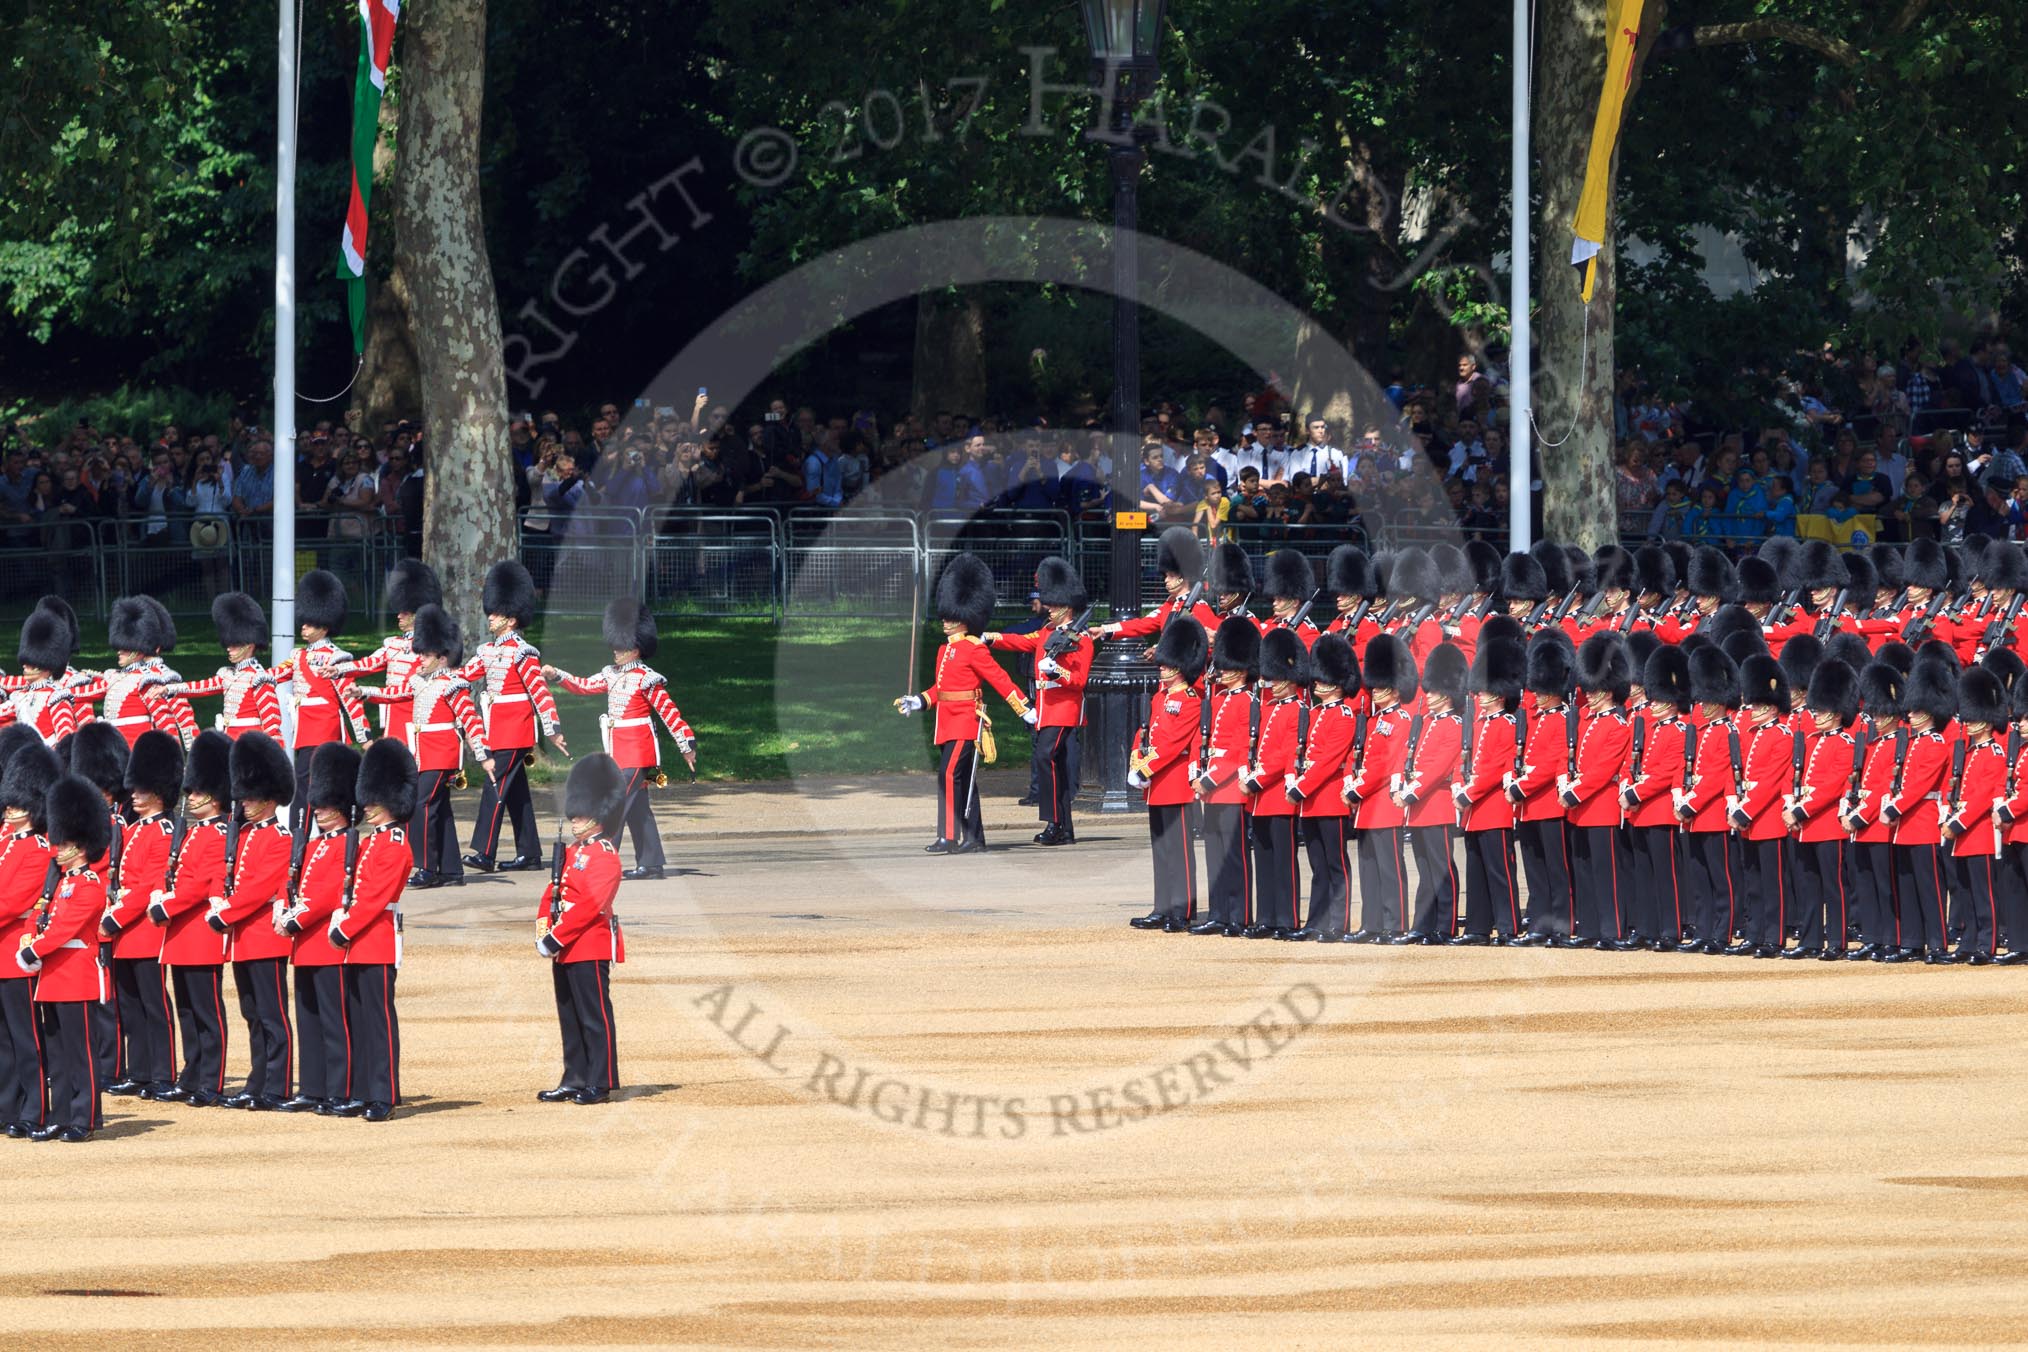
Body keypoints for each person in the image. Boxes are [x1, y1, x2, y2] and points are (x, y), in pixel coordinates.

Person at [544, 600, 697, 881]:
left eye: (621, 646)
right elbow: (584, 685)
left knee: (615, 804)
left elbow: (668, 712)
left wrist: (686, 744)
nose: (615, 650)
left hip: (638, 751)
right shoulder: (610, 674)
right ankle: (651, 863)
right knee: (639, 811)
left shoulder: (646, 679)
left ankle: (601, 860)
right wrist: (558, 676)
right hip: (618, 750)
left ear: (635, 648)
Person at [893, 553, 1033, 854]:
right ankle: (975, 838)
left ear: (966, 616)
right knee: (966, 779)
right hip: (946, 722)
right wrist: (918, 701)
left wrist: (1023, 707)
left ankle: (948, 836)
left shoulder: (973, 649)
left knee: (947, 774)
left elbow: (1000, 679)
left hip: (967, 722)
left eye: (951, 616)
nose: (946, 621)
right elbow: (941, 689)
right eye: (945, 615)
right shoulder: (945, 651)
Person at [16, 775, 114, 1140]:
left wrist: (31, 948)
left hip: (76, 976)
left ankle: (84, 1119)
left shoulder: (89, 884)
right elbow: (48, 922)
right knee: (57, 1053)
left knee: (81, 1053)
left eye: (65, 843)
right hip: (54, 977)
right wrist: (32, 935)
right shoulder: (63, 883)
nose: (57, 848)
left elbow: (65, 930)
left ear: (82, 846)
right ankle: (61, 1115)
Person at [324, 738, 414, 1122]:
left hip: (374, 938)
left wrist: (347, 926)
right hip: (356, 940)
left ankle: (383, 1094)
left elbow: (376, 897)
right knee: (358, 1020)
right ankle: (362, 1090)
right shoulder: (370, 842)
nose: (367, 806)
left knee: (377, 1021)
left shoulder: (394, 843)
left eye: (374, 800)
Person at [371, 605, 491, 888]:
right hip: (423, 753)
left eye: (425, 654)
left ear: (441, 657)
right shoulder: (419, 682)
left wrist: (483, 753)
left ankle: (425, 866)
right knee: (441, 809)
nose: (419, 659)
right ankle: (450, 870)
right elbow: (394, 694)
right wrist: (363, 691)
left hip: (442, 753)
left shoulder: (453, 684)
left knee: (420, 806)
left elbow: (470, 719)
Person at [458, 561, 567, 874]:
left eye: (495, 612)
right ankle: (529, 853)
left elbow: (539, 692)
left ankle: (483, 851)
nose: (489, 616)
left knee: (493, 785)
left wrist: (553, 728)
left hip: (515, 730)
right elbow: (465, 676)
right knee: (516, 793)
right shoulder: (488, 651)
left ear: (510, 617)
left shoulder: (524, 652)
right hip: (497, 728)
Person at [207, 731, 295, 1110]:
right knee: (253, 1014)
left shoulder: (280, 837)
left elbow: (259, 889)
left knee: (273, 1016)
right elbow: (225, 873)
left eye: (251, 797)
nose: (243, 802)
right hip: (242, 939)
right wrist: (217, 898)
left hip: (265, 938)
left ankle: (277, 1086)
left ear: (269, 799)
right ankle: (257, 1082)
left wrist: (224, 912)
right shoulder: (240, 835)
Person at [534, 754, 629, 1106]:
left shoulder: (604, 853)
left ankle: (600, 1081)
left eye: (581, 812)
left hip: (588, 945)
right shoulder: (573, 851)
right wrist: (544, 928)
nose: (575, 818)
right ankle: (574, 1077)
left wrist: (555, 937)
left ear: (598, 813)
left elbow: (590, 905)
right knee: (570, 1016)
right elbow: (553, 890)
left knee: (594, 1016)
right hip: (564, 946)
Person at [148, 729, 232, 1105]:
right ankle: (192, 1073)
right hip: (181, 935)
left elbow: (199, 886)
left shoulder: (218, 834)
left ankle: (210, 1081)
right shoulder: (194, 832)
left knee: (206, 1012)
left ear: (214, 796)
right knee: (186, 1010)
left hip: (201, 934)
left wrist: (166, 904)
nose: (191, 797)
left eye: (197, 792)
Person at [276, 743, 360, 1113]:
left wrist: (298, 916)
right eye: (319, 805)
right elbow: (293, 879)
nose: (320, 810)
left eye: (326, 806)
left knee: (333, 1020)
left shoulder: (348, 845)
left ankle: (339, 1088)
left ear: (341, 806)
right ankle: (313, 1087)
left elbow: (331, 894)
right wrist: (283, 904)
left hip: (327, 942)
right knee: (308, 1019)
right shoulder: (312, 845)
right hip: (304, 943)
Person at [982, 558, 1090, 848]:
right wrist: (990, 638)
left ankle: (1053, 821)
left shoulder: (1081, 637)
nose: (1049, 608)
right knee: (1058, 767)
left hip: (1065, 710)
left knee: (1045, 757)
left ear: (1067, 606)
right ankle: (1065, 829)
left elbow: (1079, 680)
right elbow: (1021, 641)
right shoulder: (1045, 632)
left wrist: (1059, 671)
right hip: (1046, 709)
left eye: (1053, 605)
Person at [101, 730, 181, 1100]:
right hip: (124, 933)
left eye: (142, 789)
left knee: (154, 1005)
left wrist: (118, 914)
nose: (133, 793)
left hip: (144, 928)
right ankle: (140, 1071)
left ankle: (163, 1073)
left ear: (159, 792)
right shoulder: (133, 829)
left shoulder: (165, 829)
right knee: (130, 1007)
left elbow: (151, 882)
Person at [270, 571, 369, 835]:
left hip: (325, 727)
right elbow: (275, 675)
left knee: (325, 781)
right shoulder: (298, 656)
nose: (303, 627)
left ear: (324, 626)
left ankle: (332, 831)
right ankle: (299, 834)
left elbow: (350, 698)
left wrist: (364, 736)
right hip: (304, 730)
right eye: (304, 622)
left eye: (310, 624)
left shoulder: (338, 657)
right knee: (302, 781)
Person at [1126, 620, 1207, 932]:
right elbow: (1146, 732)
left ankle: (1182, 910)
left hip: (1174, 784)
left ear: (1181, 666)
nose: (1161, 668)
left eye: (1167, 663)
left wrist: (1145, 768)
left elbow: (1173, 745)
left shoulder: (1189, 700)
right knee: (1161, 849)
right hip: (1156, 785)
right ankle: (1162, 907)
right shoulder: (1160, 697)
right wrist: (1136, 759)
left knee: (1179, 852)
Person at [0, 739, 59, 1135]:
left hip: (15, 949)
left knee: (26, 1037)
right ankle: (8, 1106)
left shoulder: (38, 848)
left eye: (18, 804)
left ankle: (34, 1109)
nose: (10, 809)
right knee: (2, 1039)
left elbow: (14, 899)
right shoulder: (5, 841)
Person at [1286, 633, 1360, 942]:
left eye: (1322, 680)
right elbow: (1299, 750)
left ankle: (1338, 922)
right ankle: (1316, 920)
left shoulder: (1344, 716)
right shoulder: (1314, 713)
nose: (1316, 685)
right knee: (1317, 865)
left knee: (1335, 863)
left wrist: (1301, 785)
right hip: (1309, 799)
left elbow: (1329, 761)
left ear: (1337, 682)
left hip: (1328, 799)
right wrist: (1293, 775)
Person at [1452, 638, 1526, 944]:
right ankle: (1478, 927)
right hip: (1474, 810)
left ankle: (1508, 926)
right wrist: (1458, 783)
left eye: (1484, 689)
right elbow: (1465, 757)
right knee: (1477, 871)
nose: (1479, 694)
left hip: (1492, 807)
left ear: (1499, 692)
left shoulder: (1506, 723)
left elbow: (1497, 767)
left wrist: (1469, 792)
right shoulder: (1479, 723)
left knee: (1500, 871)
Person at [1344, 634, 1417, 942]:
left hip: (1383, 803)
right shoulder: (1374, 720)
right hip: (1366, 804)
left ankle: (1396, 923)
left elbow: (1385, 765)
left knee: (1390, 868)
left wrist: (1356, 788)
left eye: (1380, 687)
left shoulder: (1399, 719)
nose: (1374, 692)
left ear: (1395, 688)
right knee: (1369, 868)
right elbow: (1357, 755)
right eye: (1372, 687)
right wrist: (1350, 778)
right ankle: (1371, 923)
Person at [1189, 618, 1259, 938]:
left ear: (1242, 669)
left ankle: (1239, 915)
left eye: (1229, 667)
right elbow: (1201, 741)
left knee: (1234, 857)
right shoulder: (1217, 700)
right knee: (1214, 855)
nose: (1224, 672)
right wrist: (1196, 774)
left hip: (1230, 788)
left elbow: (1238, 748)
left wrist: (1210, 778)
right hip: (1211, 787)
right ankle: (1218, 913)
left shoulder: (1247, 701)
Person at [325, 559, 441, 746]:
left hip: (416, 714)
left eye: (404, 612)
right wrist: (339, 670)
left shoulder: (429, 648)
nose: (398, 615)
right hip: (392, 715)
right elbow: (368, 664)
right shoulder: (393, 644)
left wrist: (365, 691)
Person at [1238, 628, 1308, 939]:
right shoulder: (1266, 708)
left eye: (1279, 678)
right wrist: (1246, 771)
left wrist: (1258, 779)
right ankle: (1266, 917)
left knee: (1283, 860)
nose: (1273, 684)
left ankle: (1287, 918)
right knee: (1264, 857)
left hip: (1278, 794)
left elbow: (1286, 754)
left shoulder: (1297, 710)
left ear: (1291, 678)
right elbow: (1254, 745)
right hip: (1259, 796)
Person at [1508, 636, 1577, 945]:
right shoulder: (1534, 718)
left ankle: (1562, 924)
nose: (1535, 694)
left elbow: (1555, 762)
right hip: (1528, 805)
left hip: (1549, 804)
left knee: (1557, 869)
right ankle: (1539, 923)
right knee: (1534, 870)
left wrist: (1523, 784)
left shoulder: (1564, 718)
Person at [1397, 643, 1469, 943]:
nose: (1427, 696)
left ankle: (1446, 924)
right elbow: (1412, 758)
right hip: (1418, 806)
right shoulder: (1426, 722)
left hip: (1436, 805)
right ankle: (1423, 924)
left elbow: (1440, 767)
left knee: (1441, 868)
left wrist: (1411, 791)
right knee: (1425, 869)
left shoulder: (1453, 724)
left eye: (1433, 692)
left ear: (1447, 694)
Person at [1942, 667, 2008, 964]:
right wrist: (1947, 812)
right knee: (1963, 892)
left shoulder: (1994, 753)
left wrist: (1957, 823)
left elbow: (1982, 798)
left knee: (1984, 894)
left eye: (1973, 717)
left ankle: (1987, 943)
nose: (1967, 723)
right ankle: (1968, 941)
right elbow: (1955, 788)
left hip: (1978, 832)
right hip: (1961, 834)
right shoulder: (1967, 754)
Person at [77, 596, 197, 750]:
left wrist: (186, 749)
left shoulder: (158, 677)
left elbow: (175, 718)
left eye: (125, 646)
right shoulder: (119, 676)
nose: (119, 651)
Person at [160, 593, 283, 740]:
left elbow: (272, 724)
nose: (228, 648)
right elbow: (201, 687)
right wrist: (170, 689)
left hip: (250, 744)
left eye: (235, 644)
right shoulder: (228, 674)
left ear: (249, 645)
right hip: (229, 740)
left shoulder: (259, 678)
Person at [0, 605, 80, 741]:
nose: (24, 665)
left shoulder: (56, 697)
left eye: (30, 661)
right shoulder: (20, 696)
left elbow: (65, 737)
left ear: (43, 664)